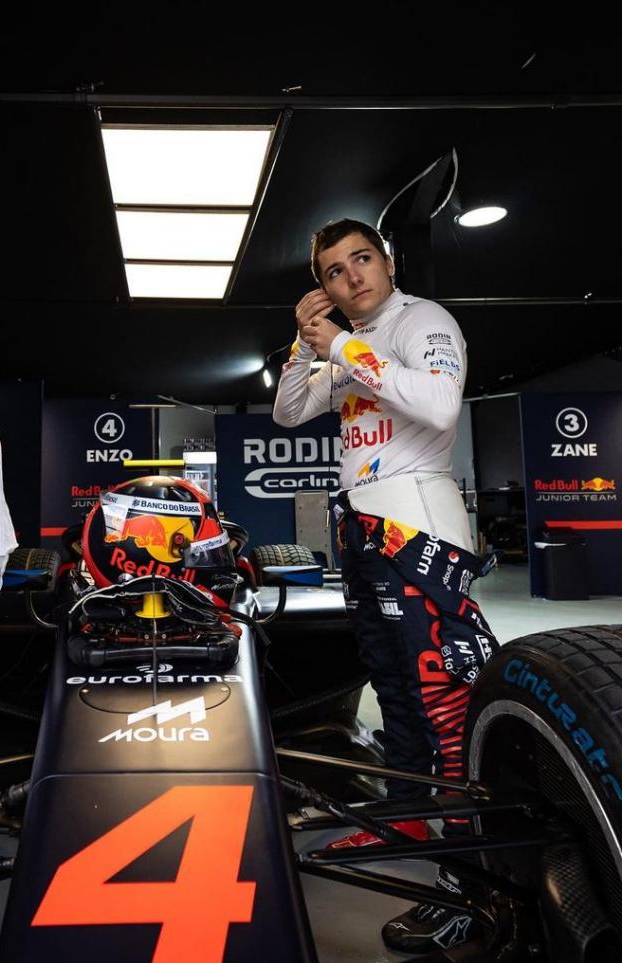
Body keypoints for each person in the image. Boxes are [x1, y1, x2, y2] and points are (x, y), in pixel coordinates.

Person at [274, 218, 498, 954]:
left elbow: (438, 406)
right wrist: (304, 343)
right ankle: (404, 817)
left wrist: (341, 346)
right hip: (363, 529)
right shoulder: (350, 344)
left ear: (388, 261)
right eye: (334, 272)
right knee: (394, 689)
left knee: (444, 699)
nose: (352, 277)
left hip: (419, 527)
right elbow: (289, 411)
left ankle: (474, 886)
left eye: (362, 259)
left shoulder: (422, 320)